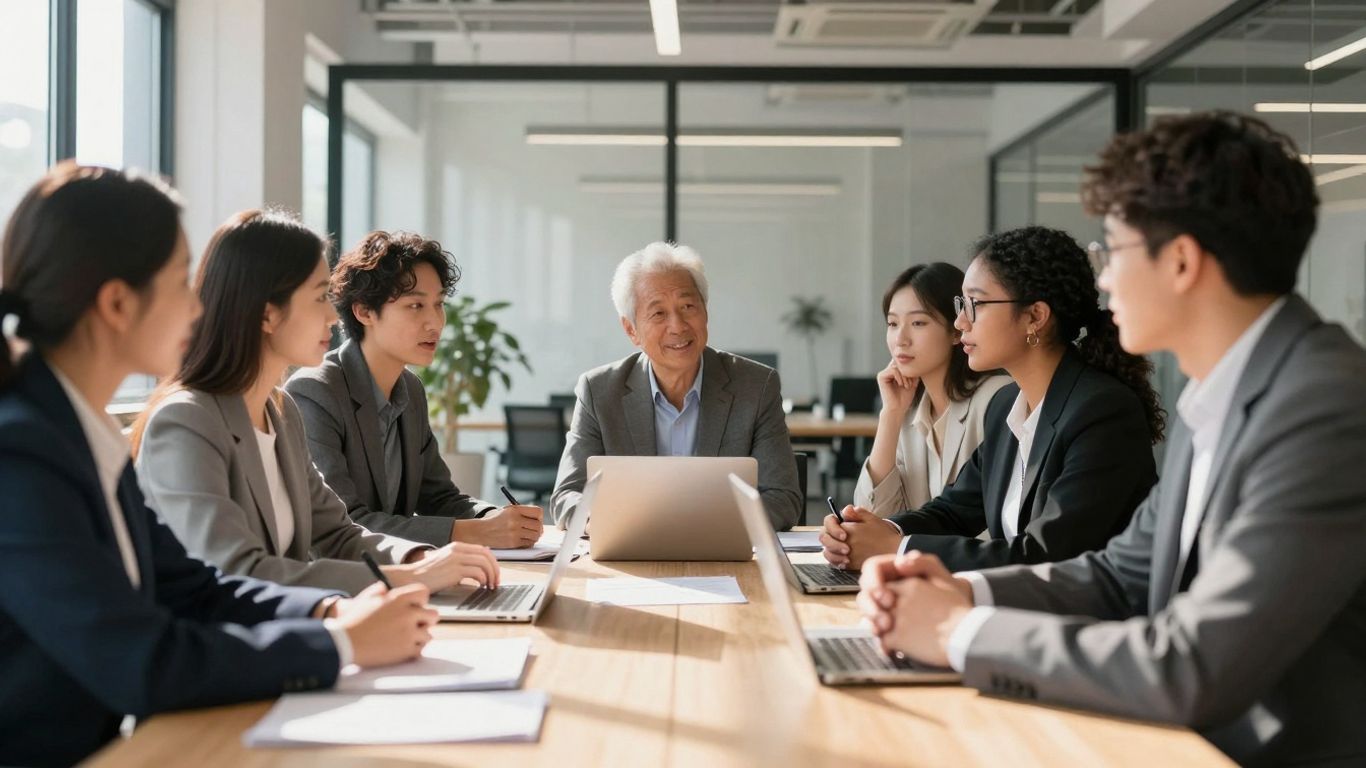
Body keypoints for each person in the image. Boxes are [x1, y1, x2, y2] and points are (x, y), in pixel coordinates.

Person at [856, 111, 1366, 767]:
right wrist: (964, 592)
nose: (1101, 281)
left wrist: (959, 631)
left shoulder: (1323, 407)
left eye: (1113, 253)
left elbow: (1193, 664)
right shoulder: (1218, 396)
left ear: (1181, 261)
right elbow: (1119, 575)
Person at [0, 164, 437, 766]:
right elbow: (143, 660)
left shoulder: (80, 429)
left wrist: (329, 610)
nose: (197, 305)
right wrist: (338, 641)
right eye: (182, 281)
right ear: (118, 303)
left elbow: (195, 588)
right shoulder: (23, 453)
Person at [133, 210, 500, 596]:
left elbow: (340, 535)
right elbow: (236, 572)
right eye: (319, 298)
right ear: (267, 314)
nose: (332, 316)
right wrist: (409, 578)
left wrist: (421, 560)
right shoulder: (186, 422)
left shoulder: (281, 412)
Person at [822, 226, 1163, 572]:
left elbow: (1048, 556)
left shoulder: (1101, 412)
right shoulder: (1007, 408)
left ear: (1035, 317)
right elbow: (954, 511)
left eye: (974, 304)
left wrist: (899, 548)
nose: (960, 321)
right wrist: (878, 531)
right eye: (960, 304)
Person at [286, 231, 544, 549]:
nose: (435, 322)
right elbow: (345, 523)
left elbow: (440, 498)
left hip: (408, 574)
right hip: (344, 585)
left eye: (438, 305)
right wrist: (472, 533)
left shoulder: (410, 390)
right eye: (415, 305)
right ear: (364, 311)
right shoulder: (315, 393)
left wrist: (495, 518)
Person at [550, 241, 802, 530]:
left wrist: (698, 528)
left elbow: (784, 499)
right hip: (631, 556)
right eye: (658, 313)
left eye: (687, 306)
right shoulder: (599, 391)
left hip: (725, 556)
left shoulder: (756, 386)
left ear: (705, 312)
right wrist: (604, 521)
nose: (678, 326)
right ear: (631, 329)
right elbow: (566, 496)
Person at [853, 262, 1011, 517]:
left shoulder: (997, 399)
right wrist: (890, 415)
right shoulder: (907, 412)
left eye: (918, 323)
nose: (900, 339)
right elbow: (872, 516)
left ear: (956, 330)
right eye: (893, 324)